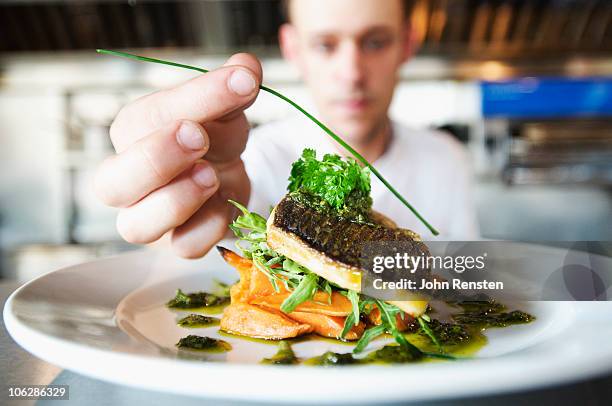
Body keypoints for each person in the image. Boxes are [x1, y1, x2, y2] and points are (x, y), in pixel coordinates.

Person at [94, 0, 479, 259]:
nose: (352, 74)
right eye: (325, 45)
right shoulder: (255, 159)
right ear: (292, 48)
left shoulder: (447, 158)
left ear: (407, 45)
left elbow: (469, 281)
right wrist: (195, 203)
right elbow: (222, 247)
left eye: (375, 42)